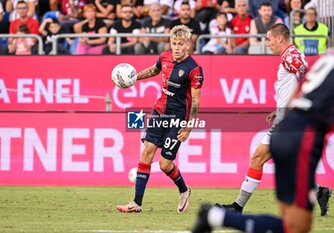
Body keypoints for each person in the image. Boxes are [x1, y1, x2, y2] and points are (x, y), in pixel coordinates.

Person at [192, 48, 334, 233]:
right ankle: (220, 214)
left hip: (288, 127)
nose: (268, 42)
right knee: (296, 226)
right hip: (302, 135)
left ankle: (219, 215)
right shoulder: (294, 55)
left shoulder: (327, 56)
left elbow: (301, 89)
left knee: (292, 223)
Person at [216, 23, 332, 217]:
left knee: (257, 157)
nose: (267, 43)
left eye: (269, 39)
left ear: (280, 38)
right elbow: (296, 85)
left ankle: (237, 207)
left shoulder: (290, 56)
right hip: (287, 117)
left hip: (289, 122)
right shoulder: (290, 55)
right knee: (288, 164)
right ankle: (319, 191)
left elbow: (307, 77)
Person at [116, 24, 204, 213]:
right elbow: (154, 70)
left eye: (181, 44)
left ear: (188, 44)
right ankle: (136, 203)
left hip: (177, 119)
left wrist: (189, 127)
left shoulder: (194, 69)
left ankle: (184, 190)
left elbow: (196, 101)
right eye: (174, 43)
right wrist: (134, 78)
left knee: (165, 164)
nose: (177, 47)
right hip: (159, 112)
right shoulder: (164, 57)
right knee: (147, 152)